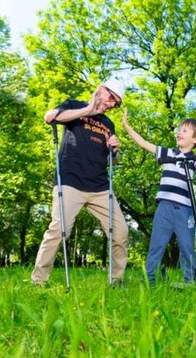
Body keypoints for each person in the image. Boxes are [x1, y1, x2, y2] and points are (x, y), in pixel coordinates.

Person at [31, 78, 129, 287]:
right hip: (70, 182)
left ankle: (117, 280)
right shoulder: (74, 106)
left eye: (116, 103)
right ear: (101, 90)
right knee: (58, 229)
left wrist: (116, 148)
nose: (112, 104)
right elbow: (50, 117)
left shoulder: (108, 124)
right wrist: (87, 110)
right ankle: (39, 280)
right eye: (112, 98)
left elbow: (115, 160)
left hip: (100, 187)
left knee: (120, 231)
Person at [122, 109, 196, 286]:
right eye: (179, 129)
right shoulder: (168, 153)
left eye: (184, 130)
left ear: (195, 139)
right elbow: (145, 144)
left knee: (187, 247)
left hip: (185, 211)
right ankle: (150, 280)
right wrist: (128, 128)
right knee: (157, 245)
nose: (179, 132)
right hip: (165, 208)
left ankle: (189, 281)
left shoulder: (193, 160)